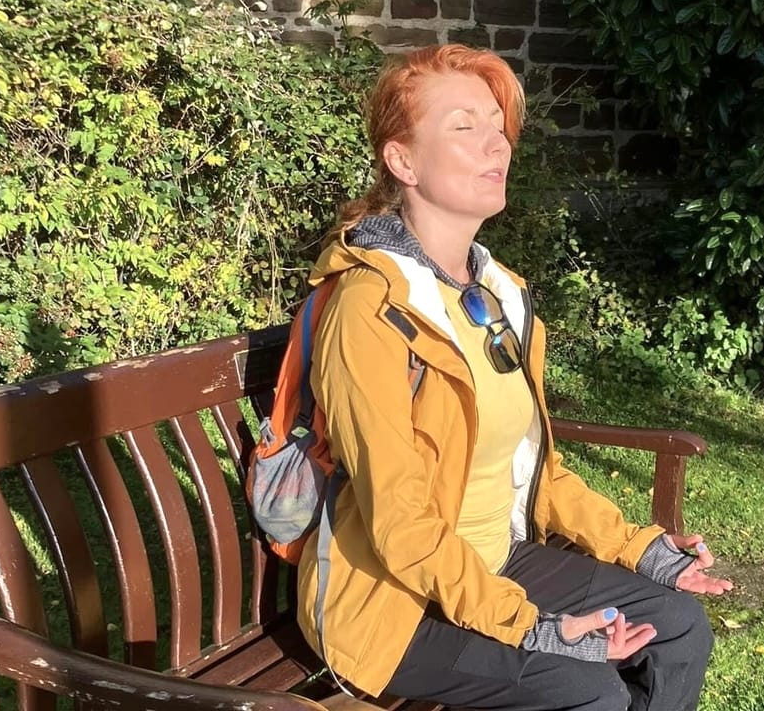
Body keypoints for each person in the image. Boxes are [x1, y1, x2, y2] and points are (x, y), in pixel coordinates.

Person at [295, 44, 731, 711]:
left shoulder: (498, 296)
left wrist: (641, 551)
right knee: (588, 690)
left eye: (498, 127)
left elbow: (535, 470)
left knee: (679, 628)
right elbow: (400, 520)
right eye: (464, 126)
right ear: (402, 160)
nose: (495, 144)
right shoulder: (370, 310)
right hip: (392, 603)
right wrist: (529, 625)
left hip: (497, 561)